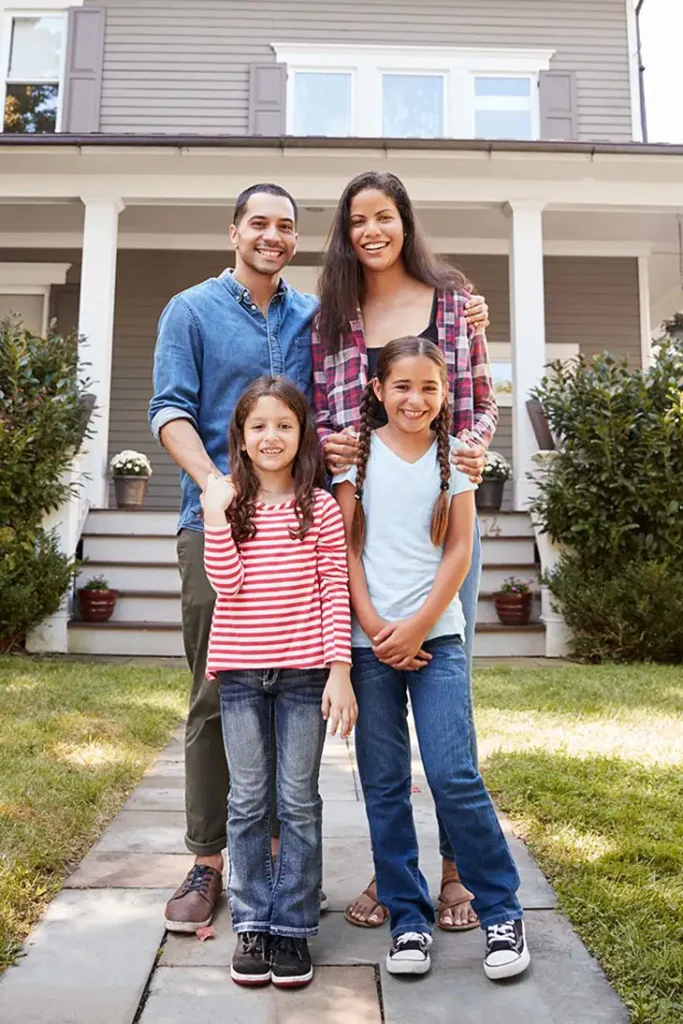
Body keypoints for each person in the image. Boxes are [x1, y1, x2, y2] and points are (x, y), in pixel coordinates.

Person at [149, 180, 489, 933]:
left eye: (284, 225)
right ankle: (211, 862)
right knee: (219, 695)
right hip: (219, 525)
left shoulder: (319, 314)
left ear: (299, 240)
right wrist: (213, 489)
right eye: (257, 223)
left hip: (330, 528)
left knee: (371, 699)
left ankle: (426, 869)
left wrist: (430, 446)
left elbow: (385, 406)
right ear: (233, 229)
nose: (271, 235)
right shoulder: (193, 310)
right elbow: (168, 408)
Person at [312, 170, 498, 932]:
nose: (371, 231)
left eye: (383, 216)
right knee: (382, 729)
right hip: (363, 517)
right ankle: (394, 878)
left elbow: (482, 404)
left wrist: (467, 457)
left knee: (448, 703)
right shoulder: (331, 315)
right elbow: (322, 412)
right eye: (357, 219)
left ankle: (455, 872)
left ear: (404, 221)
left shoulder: (454, 300)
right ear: (346, 230)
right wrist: (332, 446)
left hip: (441, 516)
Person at [334, 337, 529, 981]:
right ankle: (408, 919)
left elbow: (459, 554)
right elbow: (348, 552)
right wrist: (375, 627)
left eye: (428, 388)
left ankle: (501, 910)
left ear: (446, 393)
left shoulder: (458, 462)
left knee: (454, 775)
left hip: (437, 637)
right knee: (384, 785)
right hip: (371, 645)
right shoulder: (354, 460)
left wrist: (417, 627)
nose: (414, 400)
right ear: (378, 391)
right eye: (402, 387)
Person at [202, 375, 356, 988]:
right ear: (240, 436)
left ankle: (290, 926)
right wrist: (216, 514)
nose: (271, 436)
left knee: (296, 799)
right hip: (240, 673)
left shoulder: (317, 506)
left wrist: (340, 671)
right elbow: (227, 584)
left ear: (302, 434)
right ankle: (252, 921)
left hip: (302, 675)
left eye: (284, 425)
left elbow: (333, 592)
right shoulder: (231, 503)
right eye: (258, 425)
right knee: (245, 800)